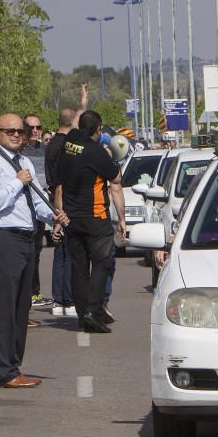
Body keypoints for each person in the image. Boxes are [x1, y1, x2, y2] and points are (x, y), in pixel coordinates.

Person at [0, 113, 69, 388]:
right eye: (10, 131)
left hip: (28, 238)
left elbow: (37, 200)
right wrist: (17, 181)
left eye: (20, 131)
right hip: (3, 238)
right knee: (4, 306)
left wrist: (53, 215)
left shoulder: (24, 162)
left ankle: (13, 365)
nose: (16, 135)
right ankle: (2, 371)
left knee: (21, 305)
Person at [56, 110, 125, 333]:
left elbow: (75, 124)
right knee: (102, 263)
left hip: (71, 218)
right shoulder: (96, 152)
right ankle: (93, 311)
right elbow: (115, 181)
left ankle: (82, 314)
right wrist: (122, 219)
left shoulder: (69, 142)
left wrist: (83, 103)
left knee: (79, 267)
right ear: (98, 130)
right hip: (95, 217)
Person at [46, 85, 89, 317]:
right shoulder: (66, 145)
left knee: (60, 252)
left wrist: (82, 101)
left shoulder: (52, 143)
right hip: (64, 201)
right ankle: (68, 300)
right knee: (70, 252)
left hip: (55, 197)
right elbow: (62, 184)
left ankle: (59, 300)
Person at [21, 114, 53, 310]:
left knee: (36, 251)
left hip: (41, 206)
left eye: (38, 127)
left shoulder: (45, 150)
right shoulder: (19, 152)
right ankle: (28, 293)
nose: (35, 130)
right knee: (26, 252)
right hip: (23, 210)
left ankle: (34, 292)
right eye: (30, 127)